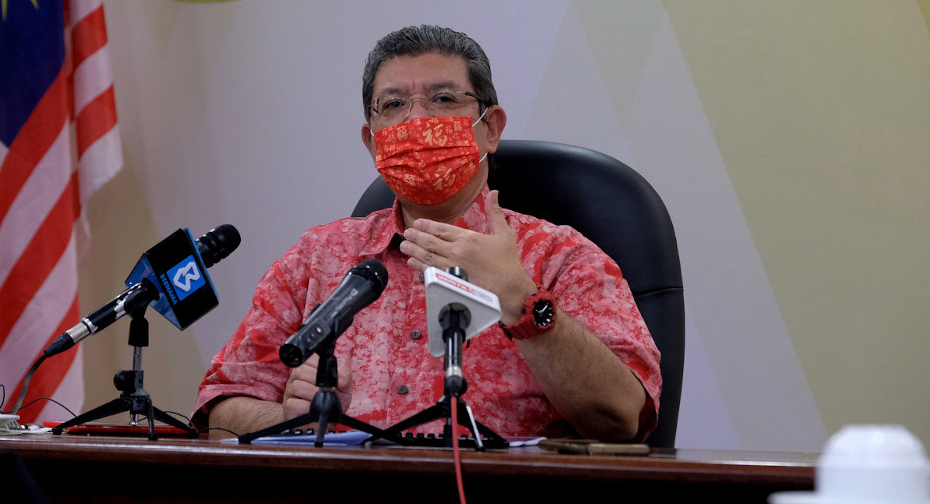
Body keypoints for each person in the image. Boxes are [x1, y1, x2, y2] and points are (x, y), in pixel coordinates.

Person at [194, 25, 661, 441]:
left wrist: (521, 299)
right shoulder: (318, 258)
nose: (417, 122)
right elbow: (220, 409)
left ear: (491, 129)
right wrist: (286, 416)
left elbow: (622, 418)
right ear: (372, 139)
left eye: (443, 99)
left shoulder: (562, 257)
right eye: (393, 104)